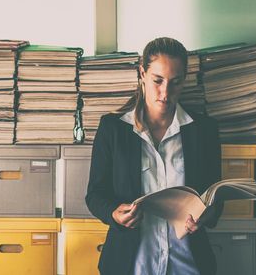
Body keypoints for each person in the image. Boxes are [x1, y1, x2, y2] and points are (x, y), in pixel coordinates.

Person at [85, 37, 223, 275]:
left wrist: (205, 215)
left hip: (188, 264)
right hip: (131, 264)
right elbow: (95, 194)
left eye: (175, 83)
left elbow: (214, 197)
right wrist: (114, 213)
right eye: (157, 80)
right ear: (142, 74)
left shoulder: (204, 131)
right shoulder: (113, 128)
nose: (165, 92)